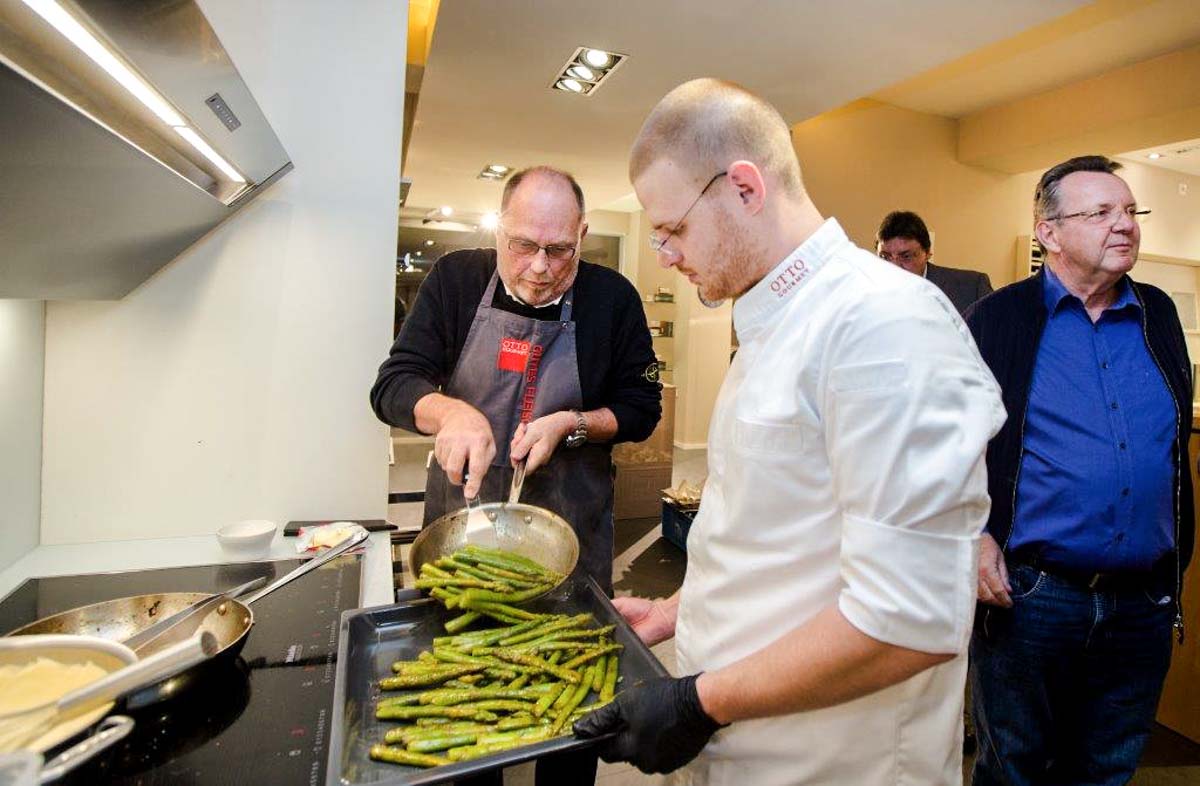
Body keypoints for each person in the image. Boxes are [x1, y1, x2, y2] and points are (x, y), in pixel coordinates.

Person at [574, 78, 1004, 785]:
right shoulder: (773, 320)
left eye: (674, 229)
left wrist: (697, 703)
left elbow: (909, 619)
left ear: (745, 188)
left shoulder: (882, 325)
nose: (667, 255)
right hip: (741, 745)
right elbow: (775, 534)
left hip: (830, 763)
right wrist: (680, 611)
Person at [370, 165, 661, 785]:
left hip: (570, 532)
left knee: (574, 701)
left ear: (582, 236)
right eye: (523, 245)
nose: (539, 267)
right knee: (467, 689)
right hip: (465, 531)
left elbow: (642, 408)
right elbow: (393, 385)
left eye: (559, 250)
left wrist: (573, 424)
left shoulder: (613, 299)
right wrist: (449, 412)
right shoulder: (456, 280)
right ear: (499, 229)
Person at [966, 155, 1194, 786]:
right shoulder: (999, 318)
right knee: (1013, 768)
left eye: (1130, 211)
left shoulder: (1157, 312)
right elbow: (949, 444)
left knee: (1107, 769)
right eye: (1101, 213)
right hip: (1031, 595)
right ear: (1050, 232)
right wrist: (974, 534)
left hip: (1143, 599)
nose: (1124, 224)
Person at [876, 209, 993, 314]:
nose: (894, 267)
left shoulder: (972, 288)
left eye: (906, 256)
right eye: (885, 257)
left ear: (927, 253)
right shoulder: (869, 297)